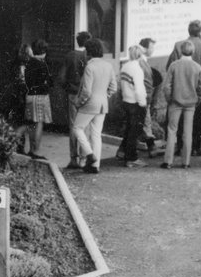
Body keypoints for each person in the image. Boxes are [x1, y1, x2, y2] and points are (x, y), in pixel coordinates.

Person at [70, 39, 118, 174]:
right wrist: (104, 96)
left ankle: (90, 155)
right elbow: (113, 87)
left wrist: (78, 103)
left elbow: (86, 91)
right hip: (102, 103)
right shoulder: (108, 65)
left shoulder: (90, 67)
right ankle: (95, 166)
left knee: (77, 128)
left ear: (89, 52)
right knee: (96, 135)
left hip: (89, 103)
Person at [166, 20, 201, 156]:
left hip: (179, 88)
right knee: (197, 119)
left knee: (179, 120)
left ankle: (180, 146)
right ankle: (195, 147)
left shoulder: (178, 45)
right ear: (200, 32)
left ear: (188, 30)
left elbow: (170, 65)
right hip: (197, 88)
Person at [162, 40, 201, 169]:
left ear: (180, 50)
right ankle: (186, 162)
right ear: (193, 51)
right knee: (188, 132)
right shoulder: (197, 67)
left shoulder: (174, 65)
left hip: (175, 102)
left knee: (172, 131)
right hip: (190, 104)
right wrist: (197, 100)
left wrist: (169, 99)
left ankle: (168, 161)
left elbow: (167, 86)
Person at [61, 31, 91, 168]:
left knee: (73, 126)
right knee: (85, 126)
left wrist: (67, 87)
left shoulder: (70, 55)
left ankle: (73, 159)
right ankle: (84, 158)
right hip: (86, 95)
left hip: (72, 93)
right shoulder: (88, 57)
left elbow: (62, 76)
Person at [118, 45, 148, 168]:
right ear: (140, 55)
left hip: (126, 100)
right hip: (135, 103)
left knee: (129, 128)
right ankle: (131, 158)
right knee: (134, 131)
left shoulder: (125, 66)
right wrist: (143, 103)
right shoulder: (137, 69)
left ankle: (122, 152)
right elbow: (139, 89)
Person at [23, 39, 52, 159]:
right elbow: (48, 82)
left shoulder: (29, 63)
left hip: (30, 96)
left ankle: (31, 149)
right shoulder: (42, 64)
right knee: (39, 123)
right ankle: (36, 151)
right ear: (44, 51)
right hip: (40, 96)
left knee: (31, 124)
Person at [138, 37, 158, 157]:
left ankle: (123, 150)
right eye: (152, 47)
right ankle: (151, 147)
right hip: (144, 97)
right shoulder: (141, 62)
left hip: (143, 97)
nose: (153, 50)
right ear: (144, 48)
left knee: (142, 122)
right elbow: (145, 82)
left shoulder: (142, 60)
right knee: (145, 122)